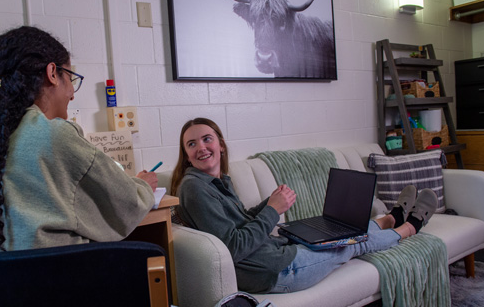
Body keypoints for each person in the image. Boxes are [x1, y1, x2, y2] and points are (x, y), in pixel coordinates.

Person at [0, 26, 158, 254]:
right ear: (52, 73)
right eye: (71, 79)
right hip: (47, 290)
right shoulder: (56, 135)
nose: (73, 94)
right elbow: (127, 205)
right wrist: (144, 185)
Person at [170, 118, 438, 294]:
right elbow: (232, 247)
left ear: (221, 145)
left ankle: (389, 219)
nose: (201, 148)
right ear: (187, 156)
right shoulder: (194, 188)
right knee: (352, 242)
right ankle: (410, 226)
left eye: (207, 139)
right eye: (191, 144)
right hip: (275, 271)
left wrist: (270, 202)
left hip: (274, 255)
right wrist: (273, 209)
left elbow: (240, 222)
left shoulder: (215, 182)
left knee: (340, 229)